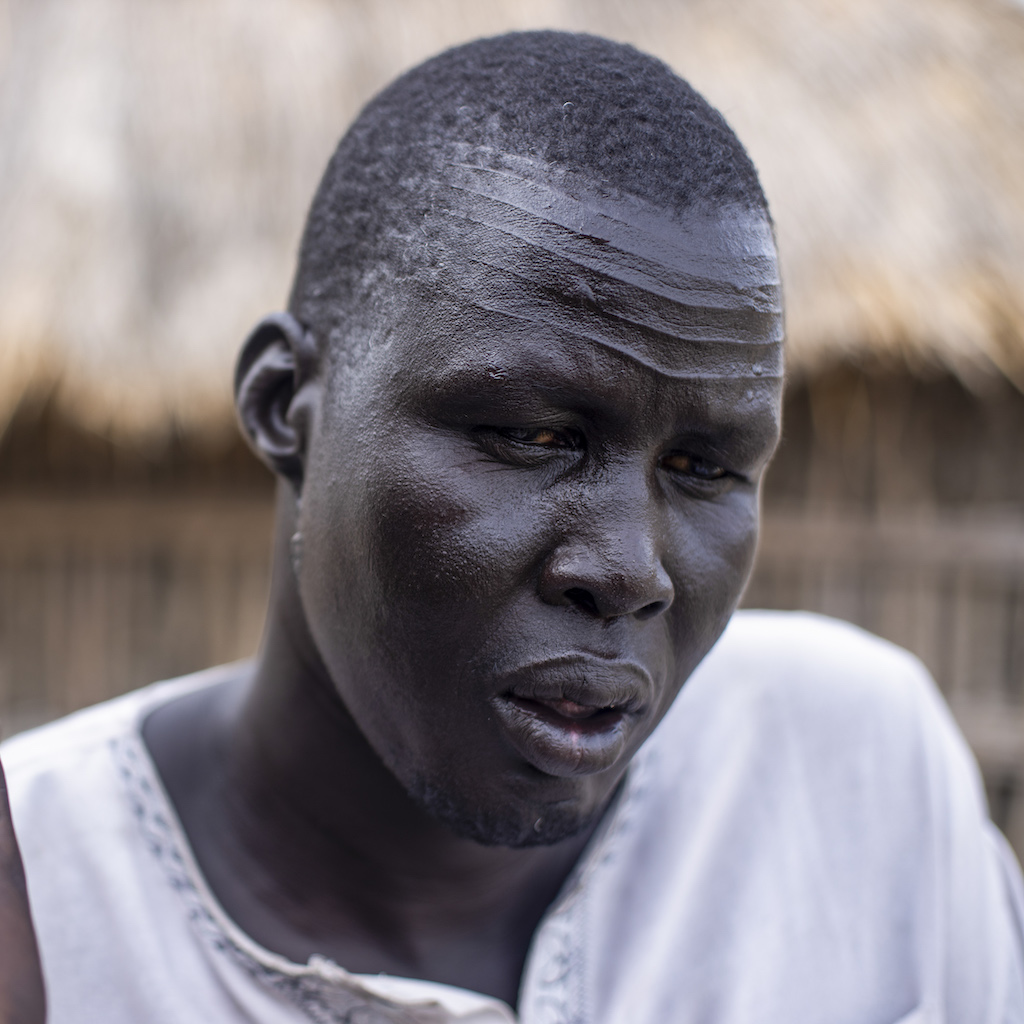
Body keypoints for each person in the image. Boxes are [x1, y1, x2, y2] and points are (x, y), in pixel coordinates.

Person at [1, 30, 1022, 1024]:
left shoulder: (853, 768)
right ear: (285, 405)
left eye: (703, 466)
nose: (628, 569)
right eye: (533, 436)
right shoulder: (48, 910)